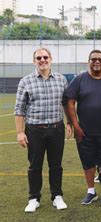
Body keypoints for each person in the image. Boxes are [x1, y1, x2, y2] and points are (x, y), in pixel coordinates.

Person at [15, 47, 72, 213]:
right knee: (35, 165)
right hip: (34, 130)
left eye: (45, 57)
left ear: (51, 59)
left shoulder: (61, 80)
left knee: (56, 165)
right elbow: (20, 109)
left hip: (56, 128)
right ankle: (34, 198)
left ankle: (57, 196)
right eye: (38, 58)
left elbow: (66, 104)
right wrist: (20, 132)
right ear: (34, 61)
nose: (42, 60)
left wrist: (68, 123)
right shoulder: (26, 81)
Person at [65, 50, 101, 205]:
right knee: (87, 163)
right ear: (88, 61)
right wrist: (76, 126)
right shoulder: (80, 80)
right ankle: (91, 192)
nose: (97, 62)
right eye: (93, 59)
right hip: (84, 131)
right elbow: (70, 102)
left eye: (100, 59)